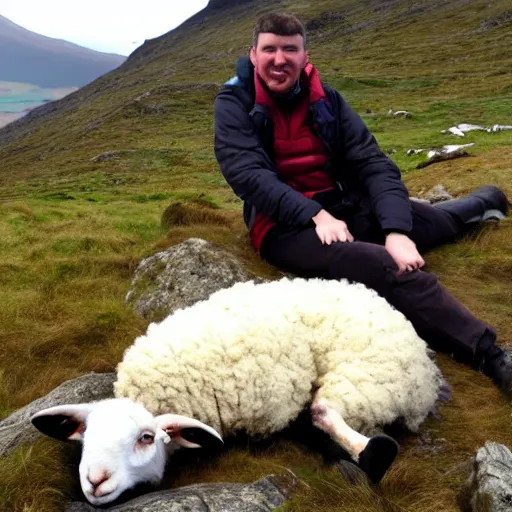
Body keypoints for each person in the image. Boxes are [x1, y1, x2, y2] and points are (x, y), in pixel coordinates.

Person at [213, 13, 511, 396]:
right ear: (253, 55)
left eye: (290, 49)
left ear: (305, 56)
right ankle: (489, 354)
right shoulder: (234, 102)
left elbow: (373, 163)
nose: (279, 59)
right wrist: (315, 214)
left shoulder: (327, 99)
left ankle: (485, 202)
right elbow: (249, 175)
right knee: (385, 264)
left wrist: (397, 231)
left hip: (344, 206)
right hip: (285, 227)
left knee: (431, 225)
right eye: (269, 49)